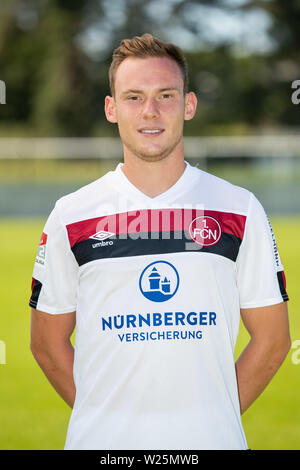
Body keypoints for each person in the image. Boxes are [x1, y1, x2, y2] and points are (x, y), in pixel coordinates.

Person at [29, 33, 291, 450]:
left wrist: (210, 421)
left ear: (188, 105)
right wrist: (106, 420)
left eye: (165, 95)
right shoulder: (72, 214)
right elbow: (47, 343)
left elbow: (274, 340)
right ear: (111, 109)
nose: (150, 111)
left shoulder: (240, 209)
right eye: (133, 97)